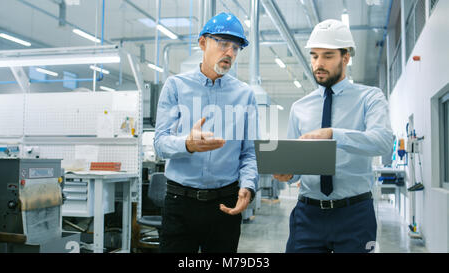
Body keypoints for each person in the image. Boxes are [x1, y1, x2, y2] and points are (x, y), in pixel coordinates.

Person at [274, 19, 393, 253]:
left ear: (345, 57)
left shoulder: (370, 98)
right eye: (314, 55)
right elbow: (296, 165)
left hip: (355, 215)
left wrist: (333, 134)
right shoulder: (300, 107)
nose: (319, 63)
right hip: (308, 214)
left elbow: (383, 141)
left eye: (328, 56)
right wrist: (287, 174)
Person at [154, 12, 258, 253]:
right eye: (223, 43)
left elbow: (250, 153)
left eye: (235, 47)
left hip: (225, 205)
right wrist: (187, 144)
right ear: (203, 43)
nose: (230, 53)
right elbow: (159, 144)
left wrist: (249, 186)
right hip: (180, 204)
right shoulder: (176, 86)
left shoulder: (245, 95)